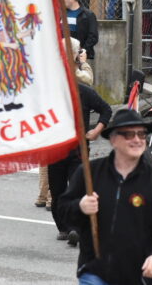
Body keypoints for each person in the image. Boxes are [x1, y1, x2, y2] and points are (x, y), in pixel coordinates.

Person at [59, 108, 152, 285]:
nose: (137, 140)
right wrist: (80, 206)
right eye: (129, 135)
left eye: (141, 134)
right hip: (94, 273)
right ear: (113, 139)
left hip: (137, 277)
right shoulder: (89, 173)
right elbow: (62, 210)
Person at [48, 41, 111, 246]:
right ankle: (63, 228)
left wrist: (96, 130)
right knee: (57, 191)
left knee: (76, 189)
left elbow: (106, 110)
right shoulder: (49, 92)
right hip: (54, 149)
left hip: (78, 150)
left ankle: (76, 227)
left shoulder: (84, 91)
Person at [64, 0, 99, 66]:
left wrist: (83, 50)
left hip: (80, 56)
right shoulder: (61, 14)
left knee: (81, 77)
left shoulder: (88, 15)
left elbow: (93, 36)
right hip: (63, 55)